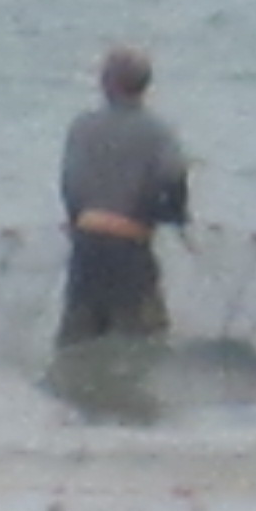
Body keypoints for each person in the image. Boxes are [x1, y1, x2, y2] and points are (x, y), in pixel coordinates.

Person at [56, 45, 191, 348]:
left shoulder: (81, 127)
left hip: (86, 250)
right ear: (145, 86)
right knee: (145, 341)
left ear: (106, 84)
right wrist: (175, 216)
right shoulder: (159, 132)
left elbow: (70, 185)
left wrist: (76, 219)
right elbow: (172, 178)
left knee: (77, 339)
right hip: (131, 251)